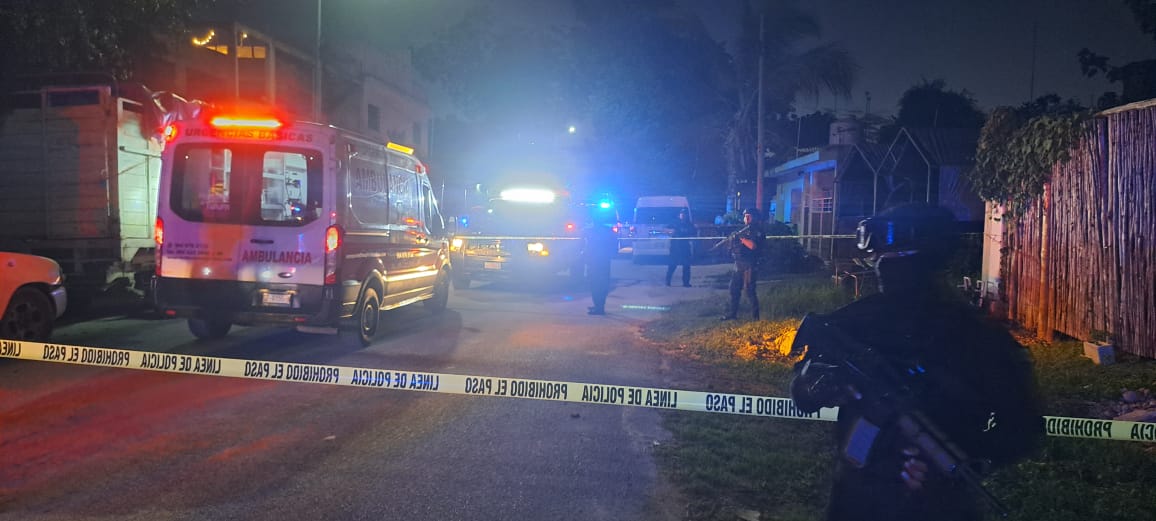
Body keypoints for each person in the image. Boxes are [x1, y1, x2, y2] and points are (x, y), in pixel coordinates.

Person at [789, 203, 1044, 521]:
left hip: (939, 506)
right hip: (857, 500)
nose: (886, 266)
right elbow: (802, 393)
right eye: (883, 257)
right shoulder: (856, 322)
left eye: (898, 256)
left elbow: (1023, 427)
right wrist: (817, 385)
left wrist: (966, 457)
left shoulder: (976, 337)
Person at [721, 207, 764, 321]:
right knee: (734, 289)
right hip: (739, 263)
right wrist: (733, 240)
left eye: (749, 216)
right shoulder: (743, 230)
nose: (746, 218)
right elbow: (736, 246)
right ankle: (732, 314)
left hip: (750, 265)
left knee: (749, 291)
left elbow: (753, 246)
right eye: (745, 216)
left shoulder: (758, 231)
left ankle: (755, 317)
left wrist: (741, 238)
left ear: (754, 217)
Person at [583, 217, 619, 315]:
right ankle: (599, 305)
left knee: (595, 284)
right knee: (603, 284)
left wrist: (586, 257)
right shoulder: (608, 231)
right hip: (604, 260)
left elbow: (588, 246)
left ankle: (598, 307)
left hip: (594, 260)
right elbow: (614, 243)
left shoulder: (590, 231)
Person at [665, 208, 695, 287]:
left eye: (685, 214)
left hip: (685, 248)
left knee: (686, 266)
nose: (683, 215)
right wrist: (671, 231)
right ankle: (668, 281)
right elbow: (666, 229)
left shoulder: (689, 224)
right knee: (672, 265)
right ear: (679, 215)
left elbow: (694, 232)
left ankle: (686, 282)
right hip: (675, 247)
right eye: (682, 214)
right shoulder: (674, 223)